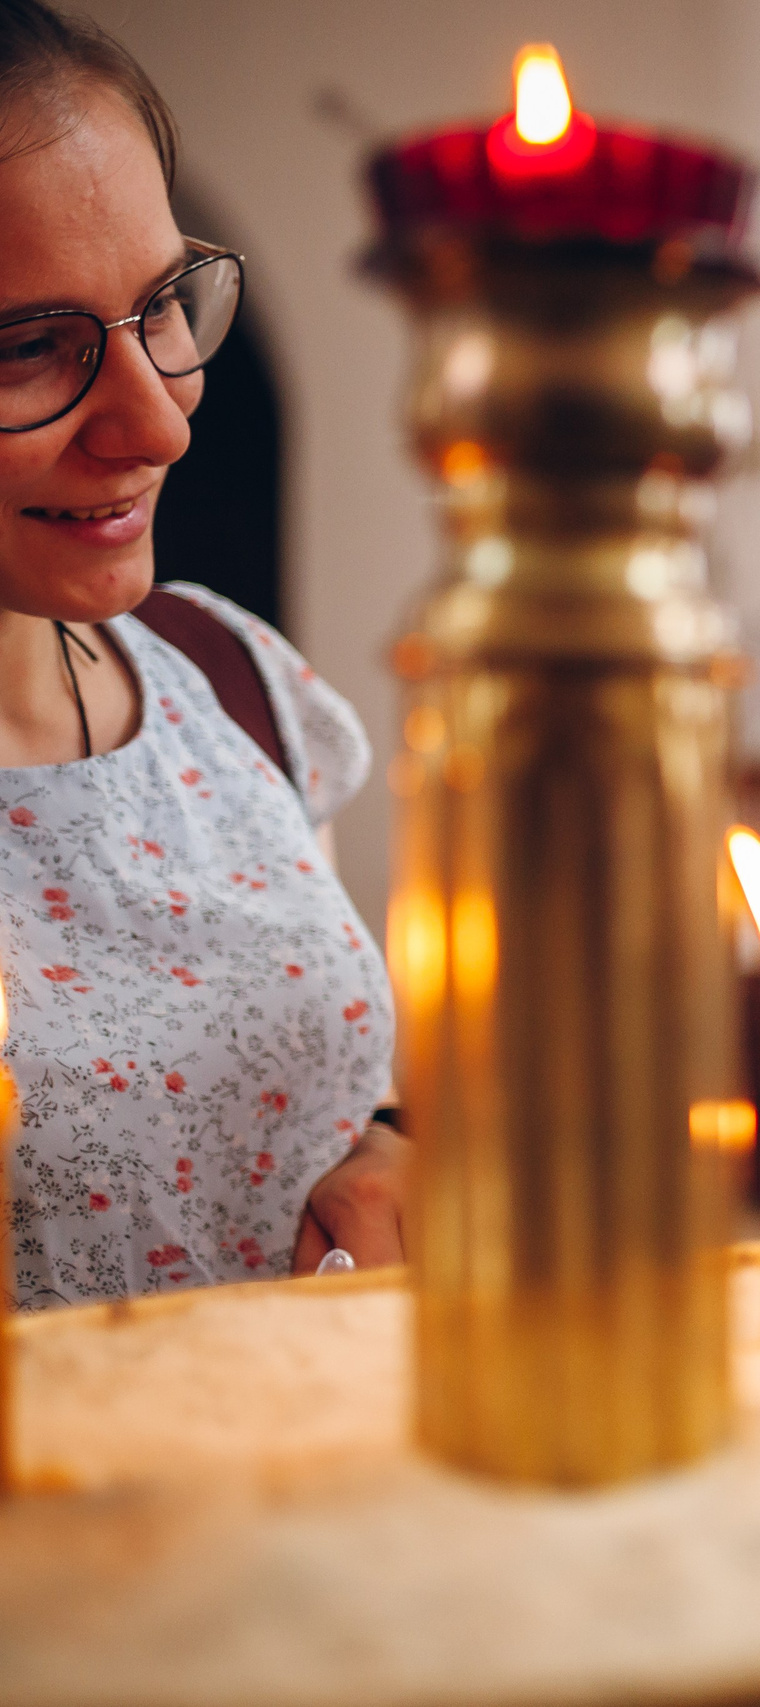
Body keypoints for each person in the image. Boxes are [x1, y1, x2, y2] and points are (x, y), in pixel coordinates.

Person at [0, 0, 401, 1306]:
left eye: (163, 305)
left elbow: (335, 1090)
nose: (158, 427)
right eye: (27, 348)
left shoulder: (232, 683)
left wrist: (387, 1152)